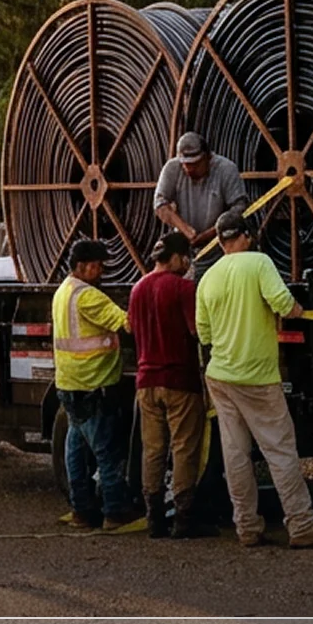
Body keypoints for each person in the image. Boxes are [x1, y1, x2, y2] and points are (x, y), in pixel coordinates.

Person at [195, 209, 313, 550]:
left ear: (220, 241)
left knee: (235, 454)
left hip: (220, 376)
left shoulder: (208, 277)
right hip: (256, 377)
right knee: (279, 450)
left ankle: (246, 527)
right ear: (246, 236)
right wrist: (297, 310)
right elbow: (281, 302)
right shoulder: (259, 263)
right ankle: (302, 524)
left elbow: (203, 332)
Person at [52, 239, 143, 534]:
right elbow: (128, 323)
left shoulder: (62, 291)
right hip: (93, 382)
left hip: (69, 382)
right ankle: (115, 511)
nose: (102, 270)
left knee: (76, 450)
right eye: (98, 265)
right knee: (106, 450)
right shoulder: (88, 297)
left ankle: (81, 510)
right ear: (82, 266)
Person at [127, 235, 214, 539]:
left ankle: (154, 520)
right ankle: (184, 519)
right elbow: (197, 331)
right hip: (180, 382)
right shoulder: (183, 288)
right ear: (175, 258)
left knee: (152, 450)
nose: (188, 263)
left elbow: (132, 327)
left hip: (146, 382)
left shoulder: (137, 289)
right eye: (186, 257)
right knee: (183, 449)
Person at [154, 131, 248, 250]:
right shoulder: (172, 168)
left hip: (219, 247)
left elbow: (240, 208)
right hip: (185, 249)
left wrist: (212, 233)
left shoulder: (226, 169)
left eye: (196, 164)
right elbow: (160, 203)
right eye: (185, 164)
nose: (189, 169)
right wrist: (185, 230)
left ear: (208, 157)